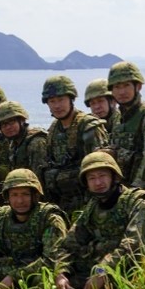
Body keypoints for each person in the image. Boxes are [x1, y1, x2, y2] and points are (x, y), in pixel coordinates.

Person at [54, 152, 145, 289]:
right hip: (105, 268)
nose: (98, 183)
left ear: (114, 177)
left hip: (138, 270)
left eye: (102, 176)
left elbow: (134, 246)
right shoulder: (93, 206)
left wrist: (102, 271)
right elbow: (69, 244)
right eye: (92, 178)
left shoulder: (138, 203)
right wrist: (62, 272)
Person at [0, 169, 68, 289]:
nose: (20, 200)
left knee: (45, 281)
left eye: (25, 194)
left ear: (35, 195)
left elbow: (52, 259)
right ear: (8, 197)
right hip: (7, 275)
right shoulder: (2, 218)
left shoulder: (49, 218)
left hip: (35, 276)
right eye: (14, 195)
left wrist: (14, 277)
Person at [42, 75, 109, 216]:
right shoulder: (53, 130)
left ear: (71, 99)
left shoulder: (88, 127)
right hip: (63, 204)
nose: (57, 106)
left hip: (89, 204)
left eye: (61, 99)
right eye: (52, 101)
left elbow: (101, 171)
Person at [106, 61, 145, 202]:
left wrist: (136, 194)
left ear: (138, 86)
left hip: (144, 196)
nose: (122, 92)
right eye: (117, 87)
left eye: (126, 85)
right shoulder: (118, 118)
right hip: (123, 193)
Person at [0, 101, 47, 178]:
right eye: (4, 124)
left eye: (11, 122)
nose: (8, 127)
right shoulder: (15, 144)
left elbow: (40, 177)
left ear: (22, 121)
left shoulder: (36, 142)